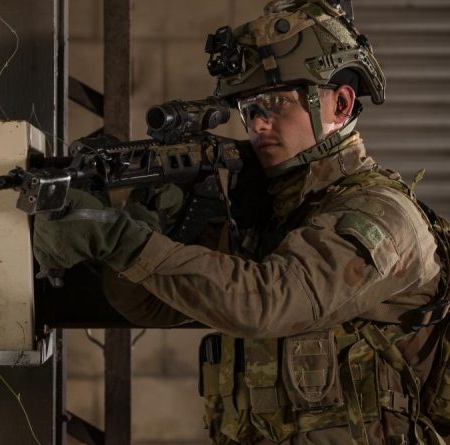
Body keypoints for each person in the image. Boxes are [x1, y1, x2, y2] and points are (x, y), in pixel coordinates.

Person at [32, 0, 450, 443]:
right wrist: (150, 226)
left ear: (340, 104)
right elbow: (148, 306)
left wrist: (123, 241)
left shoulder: (381, 216)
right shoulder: (271, 216)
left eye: (274, 101)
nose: (259, 122)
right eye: (248, 109)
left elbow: (266, 303)